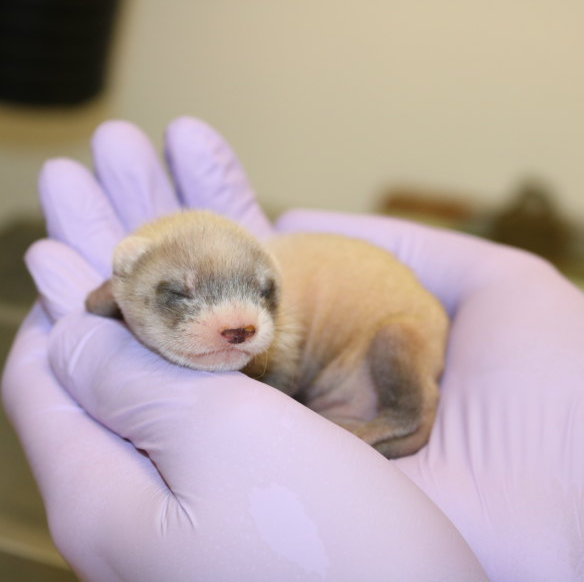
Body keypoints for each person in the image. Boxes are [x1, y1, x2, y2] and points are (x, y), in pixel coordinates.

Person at [2, 117, 583, 582]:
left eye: (260, 295)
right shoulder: (127, 281)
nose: (239, 324)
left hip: (378, 353)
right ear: (123, 285)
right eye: (180, 295)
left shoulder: (277, 335)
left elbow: (272, 371)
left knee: (395, 337)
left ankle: (403, 422)